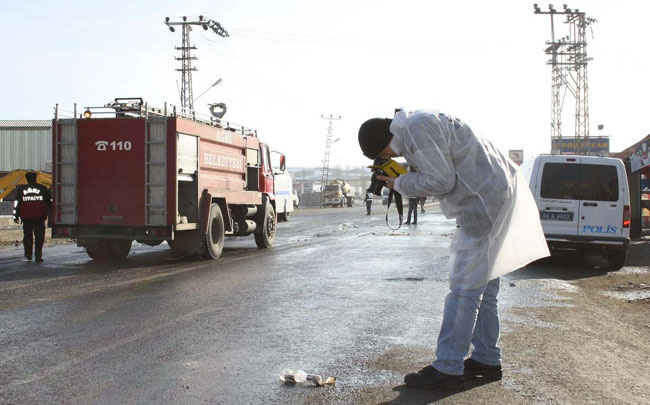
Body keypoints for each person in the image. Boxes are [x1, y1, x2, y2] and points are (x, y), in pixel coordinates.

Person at [358, 110, 549, 389]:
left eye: (383, 154)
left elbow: (440, 181)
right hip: (493, 197)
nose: (390, 158)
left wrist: (399, 182)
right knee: (484, 290)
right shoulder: (421, 123)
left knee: (464, 290)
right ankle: (486, 358)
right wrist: (408, 176)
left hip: (481, 206)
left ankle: (448, 368)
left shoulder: (417, 131)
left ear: (384, 142)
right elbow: (443, 170)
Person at [13, 172, 51, 263]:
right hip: (39, 218)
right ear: (36, 178)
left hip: (26, 218)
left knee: (27, 237)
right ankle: (38, 256)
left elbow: (17, 204)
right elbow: (49, 203)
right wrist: (51, 215)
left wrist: (15, 216)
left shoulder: (21, 190)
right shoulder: (42, 188)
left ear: (26, 179)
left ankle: (28, 254)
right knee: (39, 238)